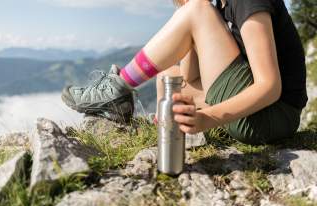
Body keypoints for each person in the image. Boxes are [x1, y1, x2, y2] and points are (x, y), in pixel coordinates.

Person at [62, 0, 307, 145]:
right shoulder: (220, 5)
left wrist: (207, 118)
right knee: (167, 76)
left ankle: (117, 88)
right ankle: (159, 130)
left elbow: (270, 86)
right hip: (260, 112)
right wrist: (188, 11)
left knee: (198, 11)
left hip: (271, 117)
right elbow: (189, 77)